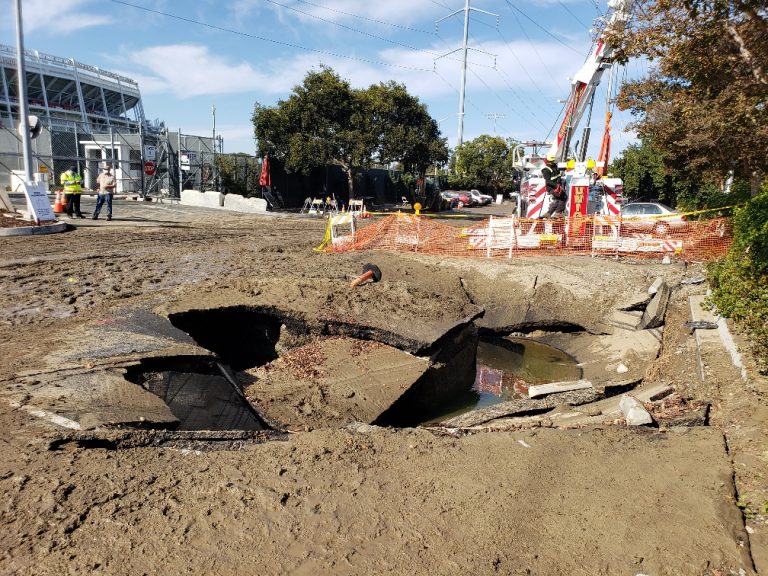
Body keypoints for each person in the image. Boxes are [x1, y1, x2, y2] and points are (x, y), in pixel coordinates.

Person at [541, 154, 567, 218]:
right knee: (563, 197)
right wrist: (556, 186)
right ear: (547, 161)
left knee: (558, 200)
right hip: (551, 188)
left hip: (557, 186)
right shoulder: (546, 170)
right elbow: (548, 181)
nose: (552, 162)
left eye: (552, 161)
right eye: (551, 161)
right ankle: (558, 213)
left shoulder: (554, 166)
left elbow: (559, 172)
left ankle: (548, 213)